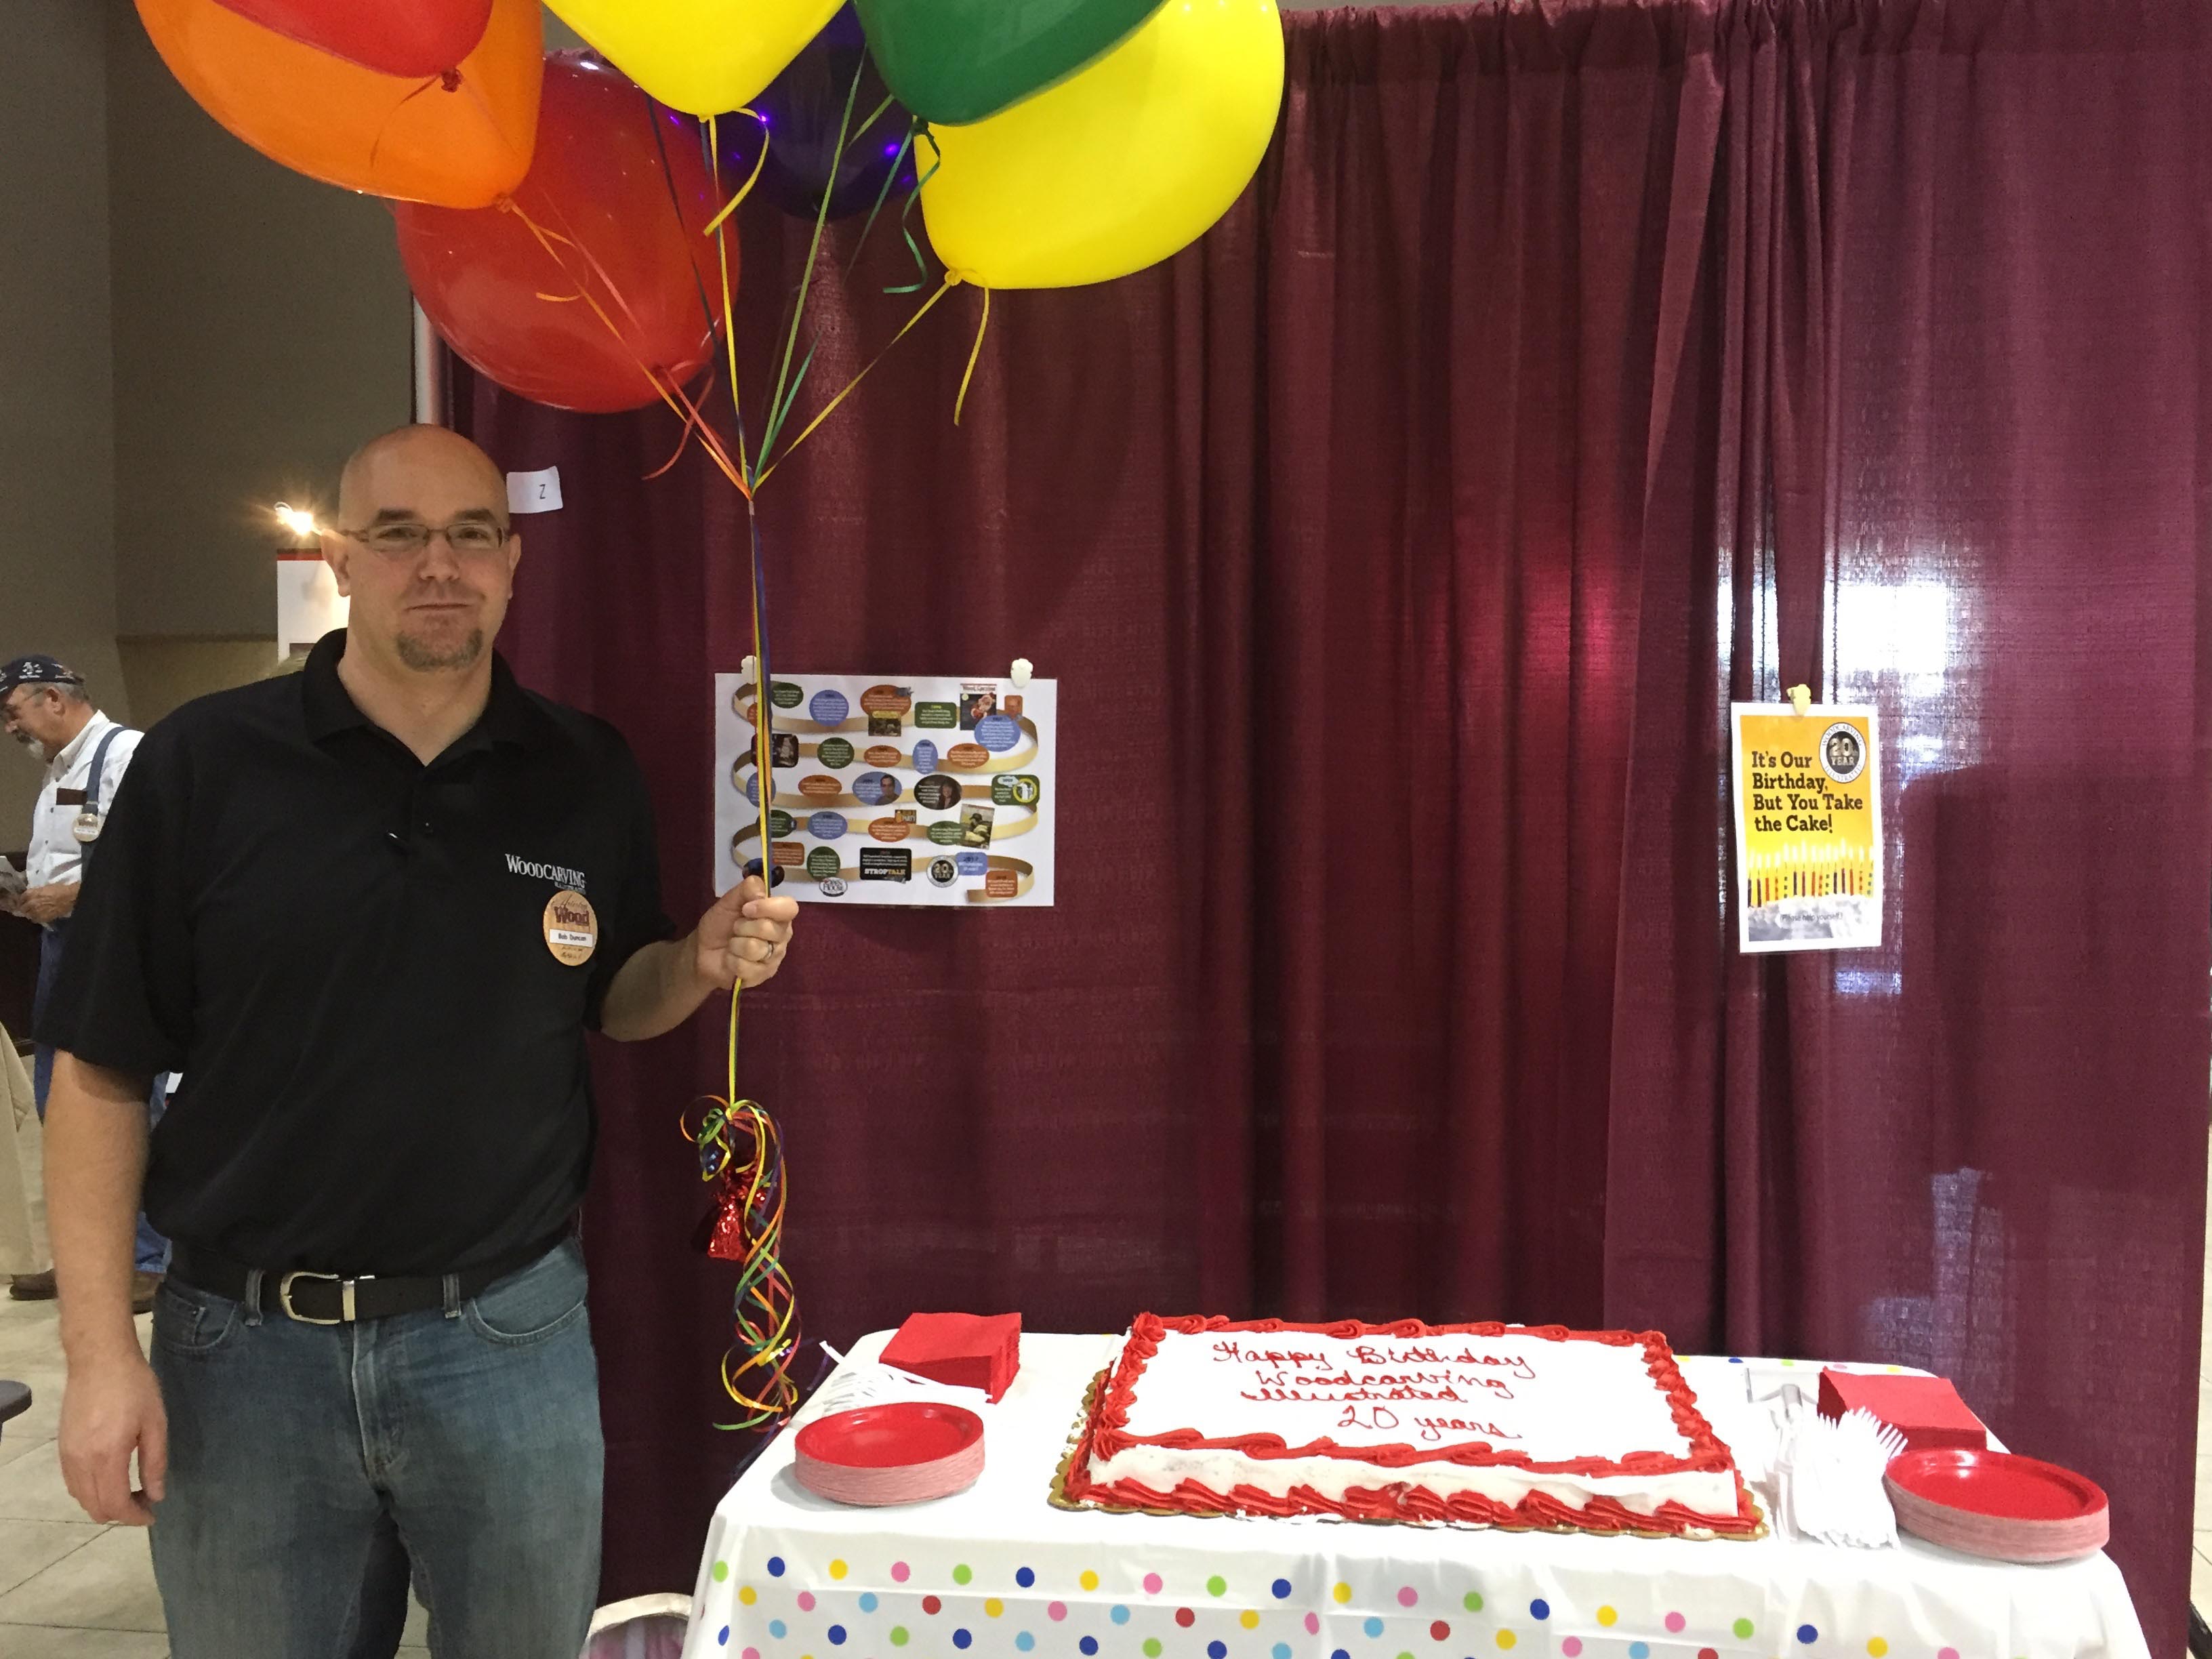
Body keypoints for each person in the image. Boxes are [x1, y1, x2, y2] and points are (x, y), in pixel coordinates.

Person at [37, 425, 800, 1659]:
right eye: (398, 535)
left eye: (469, 534)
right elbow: (99, 1066)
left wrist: (698, 965)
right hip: (243, 1352)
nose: (437, 565)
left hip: (504, 1338)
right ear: (343, 559)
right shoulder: (203, 764)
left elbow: (616, 996)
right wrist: (98, 1355)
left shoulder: (582, 768)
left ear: (513, 562)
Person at [0, 656, 168, 1309]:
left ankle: (148, 1259)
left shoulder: (128, 756)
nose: (10, 727)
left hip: (116, 952)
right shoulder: (59, 771)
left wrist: (71, 897)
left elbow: (158, 862)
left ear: (54, 697)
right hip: (59, 948)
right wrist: (26, 895)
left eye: (12, 711)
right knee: (61, 1105)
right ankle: (85, 1258)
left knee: (127, 1102)